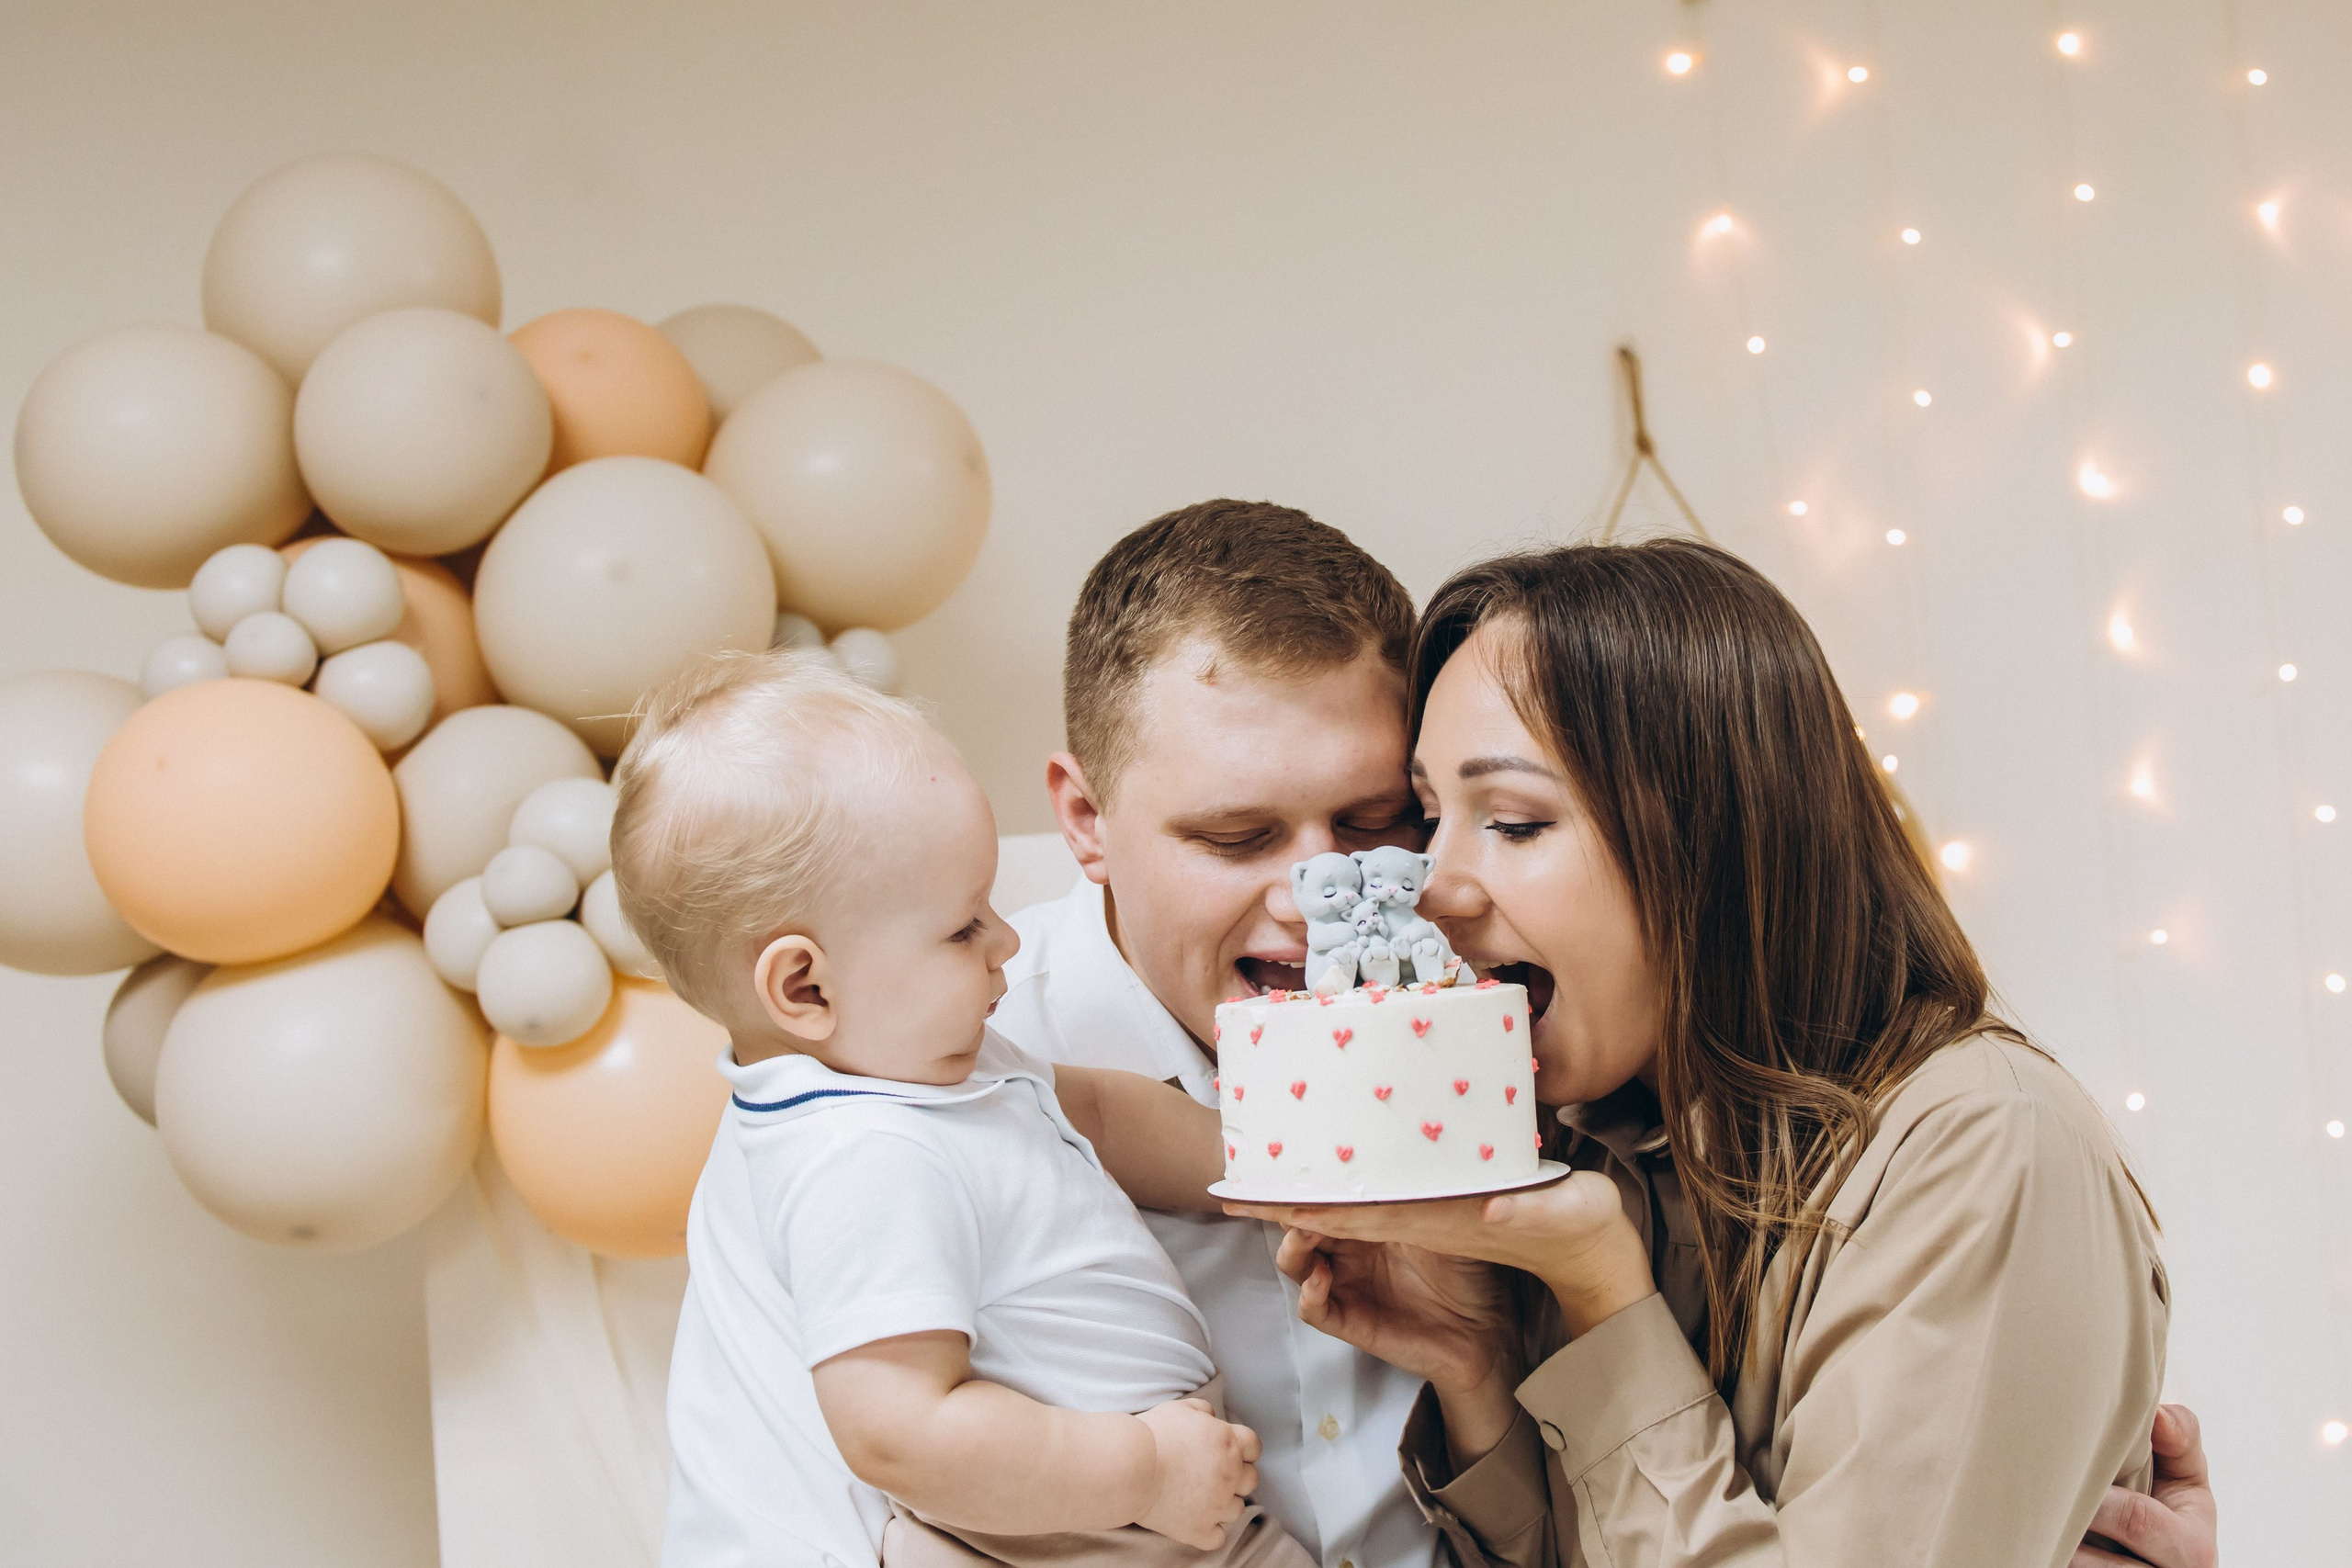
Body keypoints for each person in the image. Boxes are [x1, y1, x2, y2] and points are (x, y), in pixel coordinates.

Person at [1228, 539, 2179, 1568]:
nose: (1433, 883)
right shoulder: (1601, 1146)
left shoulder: (1986, 1150)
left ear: (1709, 843)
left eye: (1512, 819)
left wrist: (1604, 1302)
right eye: (1427, 816)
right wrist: (1479, 1367)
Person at [609, 649, 1303, 1568]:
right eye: (964, 924)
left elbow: (1094, 1110)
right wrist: (1142, 1469)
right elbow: (902, 1431)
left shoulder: (923, 1070)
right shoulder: (862, 1157)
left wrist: (1272, 1163)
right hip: (1070, 1531)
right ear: (805, 986)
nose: (1006, 940)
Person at [991, 501, 1446, 1568]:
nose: (1318, 896)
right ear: (1085, 821)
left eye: (1376, 824)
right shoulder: (932, 1077)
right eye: (1235, 837)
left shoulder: (1504, 1036)